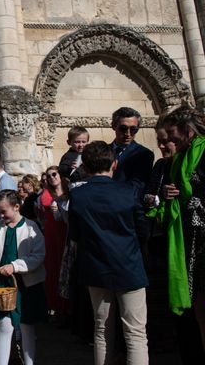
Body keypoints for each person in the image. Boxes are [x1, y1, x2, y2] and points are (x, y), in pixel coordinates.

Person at [69, 141, 149, 365]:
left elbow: (75, 236)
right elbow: (142, 229)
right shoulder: (128, 192)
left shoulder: (78, 196)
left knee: (102, 330)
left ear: (85, 167)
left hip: (96, 267)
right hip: (129, 266)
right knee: (135, 333)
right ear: (114, 164)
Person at [158, 106, 205, 354]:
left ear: (189, 130)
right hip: (189, 242)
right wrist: (167, 195)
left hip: (202, 239)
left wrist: (194, 199)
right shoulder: (177, 161)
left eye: (174, 135)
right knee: (198, 309)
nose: (171, 141)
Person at [0, 190, 47, 365]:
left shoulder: (31, 227)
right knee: (5, 325)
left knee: (26, 325)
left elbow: (38, 256)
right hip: (4, 285)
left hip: (26, 284)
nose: (0, 215)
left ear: (16, 207)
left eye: (3, 211)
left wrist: (15, 266)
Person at [36, 165, 69, 319]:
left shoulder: (68, 191)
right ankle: (56, 306)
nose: (51, 177)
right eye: (48, 176)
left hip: (64, 230)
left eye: (54, 174)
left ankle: (67, 307)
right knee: (53, 267)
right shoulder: (47, 192)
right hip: (50, 230)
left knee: (65, 266)